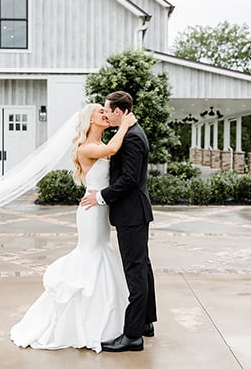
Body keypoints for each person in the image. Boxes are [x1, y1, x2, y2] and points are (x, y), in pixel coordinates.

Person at [10, 103, 137, 353]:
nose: (105, 114)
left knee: (102, 252)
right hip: (91, 211)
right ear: (90, 121)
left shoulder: (99, 145)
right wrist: (126, 125)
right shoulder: (86, 147)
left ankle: (111, 318)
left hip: (101, 208)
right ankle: (88, 321)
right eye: (99, 112)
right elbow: (112, 148)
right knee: (92, 256)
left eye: (105, 111)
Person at [80, 91, 157, 353]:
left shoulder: (133, 137)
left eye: (108, 110)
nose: (106, 114)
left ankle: (132, 336)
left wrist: (101, 196)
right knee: (142, 266)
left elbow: (129, 180)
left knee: (135, 271)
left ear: (119, 112)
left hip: (132, 213)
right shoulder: (130, 132)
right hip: (132, 213)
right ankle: (146, 322)